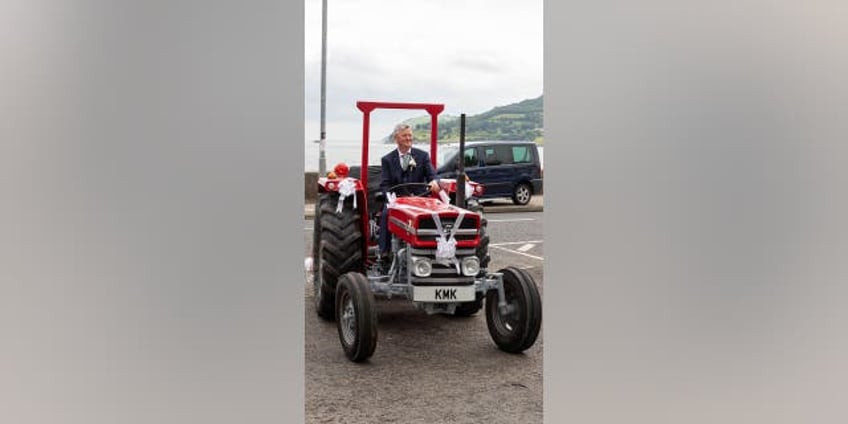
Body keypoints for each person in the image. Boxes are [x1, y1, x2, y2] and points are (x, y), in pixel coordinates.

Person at [377, 123, 441, 261]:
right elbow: (385, 184)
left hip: (419, 199)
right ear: (396, 138)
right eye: (404, 135)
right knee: (386, 214)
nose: (408, 138)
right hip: (398, 200)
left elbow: (433, 175)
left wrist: (435, 182)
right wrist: (391, 199)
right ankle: (384, 251)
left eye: (410, 135)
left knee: (436, 217)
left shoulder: (422, 156)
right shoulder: (387, 159)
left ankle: (435, 250)